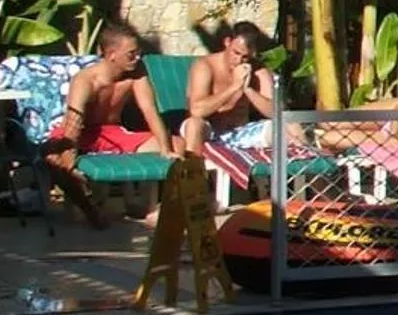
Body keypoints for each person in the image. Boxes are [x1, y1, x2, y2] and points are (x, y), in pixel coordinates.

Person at [42, 21, 169, 226]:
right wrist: (69, 158)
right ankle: (90, 210)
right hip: (83, 132)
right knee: (52, 156)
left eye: (138, 53)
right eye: (131, 54)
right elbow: (75, 121)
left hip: (113, 132)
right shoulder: (85, 81)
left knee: (177, 145)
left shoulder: (136, 72)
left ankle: (151, 207)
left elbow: (149, 110)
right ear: (111, 55)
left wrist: (165, 148)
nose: (137, 58)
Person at [183, 21, 273, 156]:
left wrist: (248, 89)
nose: (239, 61)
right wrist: (233, 87)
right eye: (236, 53)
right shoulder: (205, 66)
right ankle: (192, 173)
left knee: (289, 128)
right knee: (194, 125)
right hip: (210, 130)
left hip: (242, 132)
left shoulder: (258, 70)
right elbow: (196, 110)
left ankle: (304, 173)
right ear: (227, 42)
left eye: (245, 57)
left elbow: (275, 113)